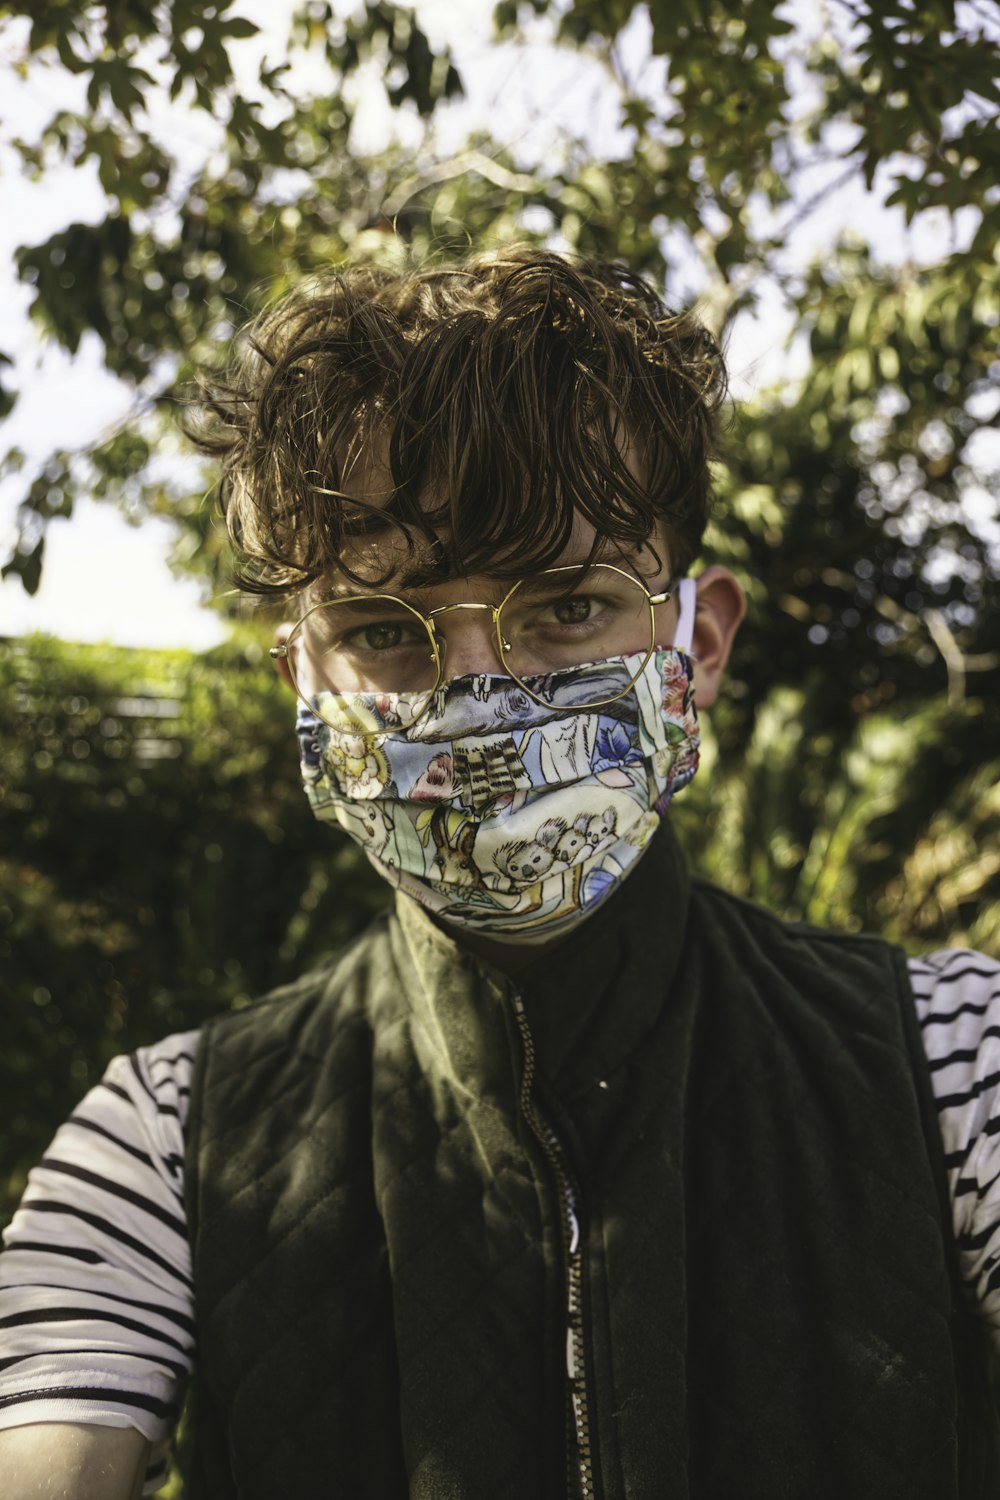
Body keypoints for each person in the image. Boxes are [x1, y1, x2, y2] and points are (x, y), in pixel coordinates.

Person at [1, 245, 998, 1500]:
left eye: (567, 604)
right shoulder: (163, 1144)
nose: (481, 693)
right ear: (300, 687)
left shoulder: (949, 1066)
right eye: (381, 630)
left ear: (700, 642)